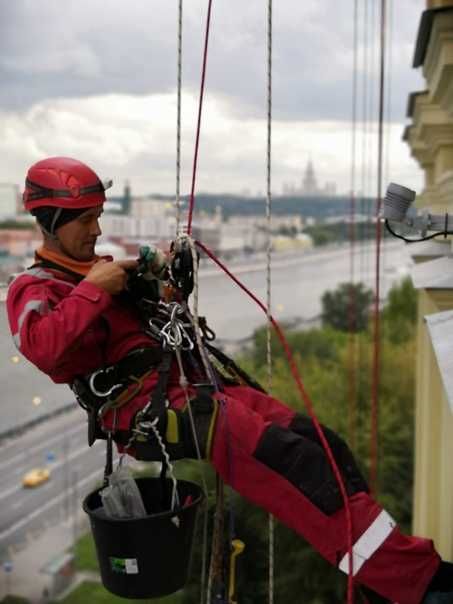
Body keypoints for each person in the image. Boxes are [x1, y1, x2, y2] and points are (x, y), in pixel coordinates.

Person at [6, 156, 453, 604]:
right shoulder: (34, 289)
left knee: (320, 445)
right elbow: (42, 346)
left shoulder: (102, 272)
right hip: (153, 411)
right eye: (86, 220)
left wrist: (165, 274)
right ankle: (424, 584)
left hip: (195, 388)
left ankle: (381, 578)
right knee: (297, 467)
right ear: (51, 220)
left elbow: (161, 306)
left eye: (98, 217)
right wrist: (97, 287)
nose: (97, 231)